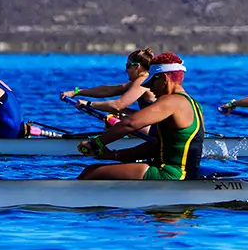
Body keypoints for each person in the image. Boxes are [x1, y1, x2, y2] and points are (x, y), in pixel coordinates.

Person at [78, 53, 206, 180]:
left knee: (91, 172)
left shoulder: (171, 101)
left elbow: (129, 124)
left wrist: (96, 143)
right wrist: (113, 155)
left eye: (152, 81)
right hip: (184, 174)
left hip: (171, 174)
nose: (148, 87)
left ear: (164, 78)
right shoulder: (194, 104)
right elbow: (155, 147)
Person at [61, 48, 158, 116]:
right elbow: (108, 91)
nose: (126, 70)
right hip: (153, 124)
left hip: (158, 130)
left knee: (115, 113)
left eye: (128, 66)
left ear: (137, 67)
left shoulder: (143, 81)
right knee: (117, 113)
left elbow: (117, 105)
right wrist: (77, 92)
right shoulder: (143, 80)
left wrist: (89, 104)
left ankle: (99, 144)